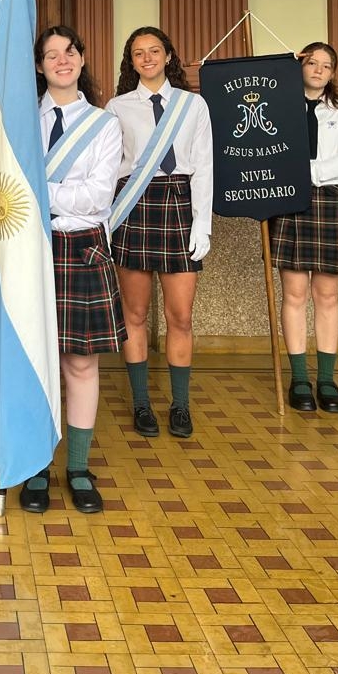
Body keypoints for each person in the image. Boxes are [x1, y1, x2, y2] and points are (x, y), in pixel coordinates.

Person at [19, 26, 125, 515]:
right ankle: (37, 464)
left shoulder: (104, 125)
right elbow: (9, 186)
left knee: (81, 364)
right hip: (31, 249)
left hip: (82, 249)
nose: (62, 60)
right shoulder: (21, 123)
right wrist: (61, 195)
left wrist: (41, 192)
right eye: (51, 55)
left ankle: (78, 467)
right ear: (39, 66)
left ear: (82, 59)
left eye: (69, 52)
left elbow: (97, 197)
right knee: (35, 362)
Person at [105, 26, 213, 439]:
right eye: (138, 53)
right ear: (131, 62)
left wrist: (201, 222)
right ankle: (141, 403)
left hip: (179, 204)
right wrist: (105, 221)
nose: (147, 58)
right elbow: (109, 168)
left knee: (180, 316)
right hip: (133, 205)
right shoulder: (117, 107)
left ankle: (180, 405)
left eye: (154, 50)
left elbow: (204, 166)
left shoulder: (193, 105)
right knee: (134, 314)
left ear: (168, 55)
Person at [270, 41, 338, 414]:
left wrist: (304, 171)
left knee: (327, 295)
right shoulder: (278, 108)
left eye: (326, 64)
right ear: (300, 66)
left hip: (329, 201)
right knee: (294, 295)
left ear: (333, 73)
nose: (319, 69)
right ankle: (299, 379)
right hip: (290, 202)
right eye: (311, 62)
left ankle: (326, 379)